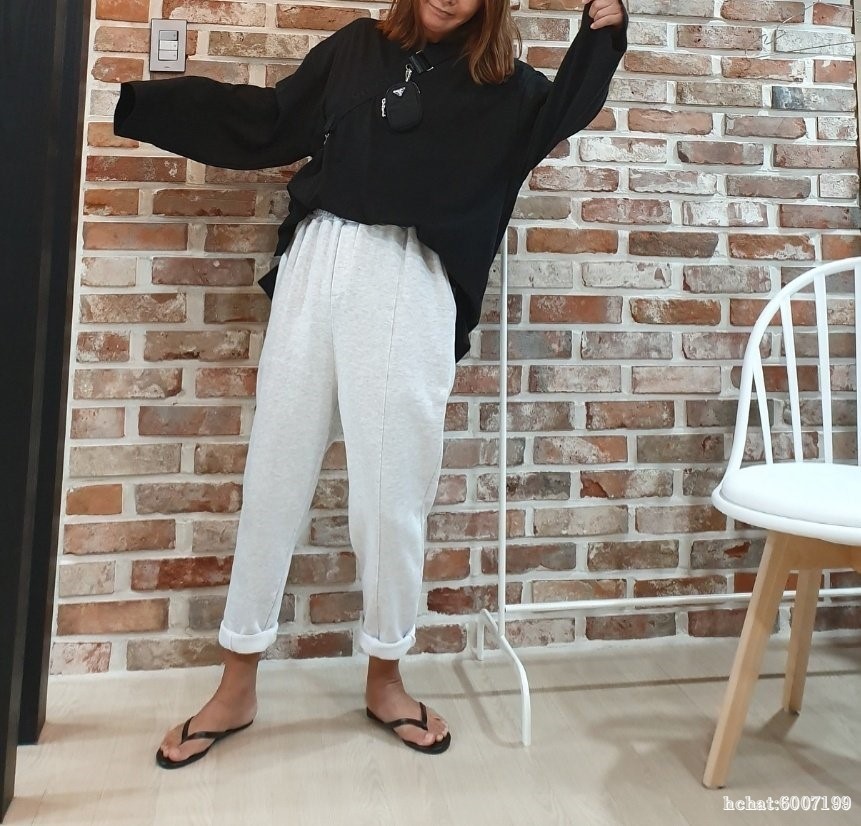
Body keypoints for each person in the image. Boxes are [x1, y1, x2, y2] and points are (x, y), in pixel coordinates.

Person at [113, 0, 627, 767]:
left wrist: (603, 31)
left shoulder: (505, 88)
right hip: (316, 260)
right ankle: (236, 681)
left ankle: (386, 675)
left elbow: (562, 112)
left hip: (407, 276)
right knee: (274, 474)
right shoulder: (357, 46)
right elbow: (271, 120)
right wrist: (149, 102)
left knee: (391, 495)